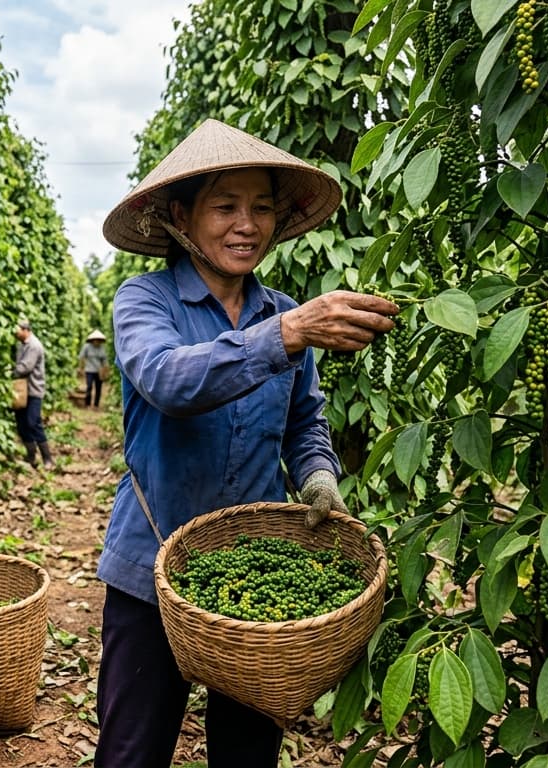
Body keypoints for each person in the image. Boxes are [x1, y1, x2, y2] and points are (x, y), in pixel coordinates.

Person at [93, 118, 400, 768]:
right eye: (225, 206)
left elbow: (303, 422)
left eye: (262, 208)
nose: (247, 224)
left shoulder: (282, 311)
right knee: (130, 752)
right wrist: (286, 333)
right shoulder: (143, 301)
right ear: (181, 215)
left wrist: (318, 475)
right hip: (150, 571)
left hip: (253, 577)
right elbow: (168, 380)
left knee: (247, 754)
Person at [11, 318, 52, 467]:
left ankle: (48, 459)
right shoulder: (20, 345)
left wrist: (9, 372)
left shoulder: (34, 345)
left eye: (18, 330)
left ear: (25, 330)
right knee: (22, 423)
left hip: (34, 390)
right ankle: (31, 457)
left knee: (33, 423)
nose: (15, 333)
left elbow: (24, 367)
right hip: (22, 391)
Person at [77, 329, 110, 408]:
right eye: (95, 340)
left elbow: (104, 360)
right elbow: (82, 357)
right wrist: (81, 368)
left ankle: (96, 405)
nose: (97, 342)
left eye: (98, 340)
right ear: (92, 340)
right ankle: (87, 404)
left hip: (99, 371)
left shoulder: (102, 348)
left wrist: (106, 370)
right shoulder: (87, 347)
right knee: (89, 386)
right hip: (89, 370)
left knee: (98, 388)